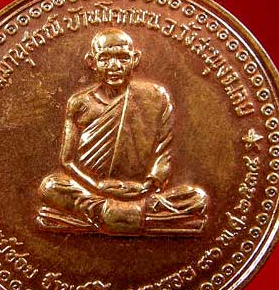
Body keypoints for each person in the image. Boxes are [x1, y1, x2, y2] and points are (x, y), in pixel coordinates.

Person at [36, 28, 208, 235]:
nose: (114, 66)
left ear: (135, 59)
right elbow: (67, 161)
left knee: (197, 197)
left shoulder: (155, 96)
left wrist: (147, 186)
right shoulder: (79, 103)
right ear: (92, 62)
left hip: (142, 191)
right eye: (105, 58)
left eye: (123, 57)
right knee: (50, 187)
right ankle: (136, 215)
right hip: (93, 190)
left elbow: (164, 152)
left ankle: (107, 215)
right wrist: (97, 185)